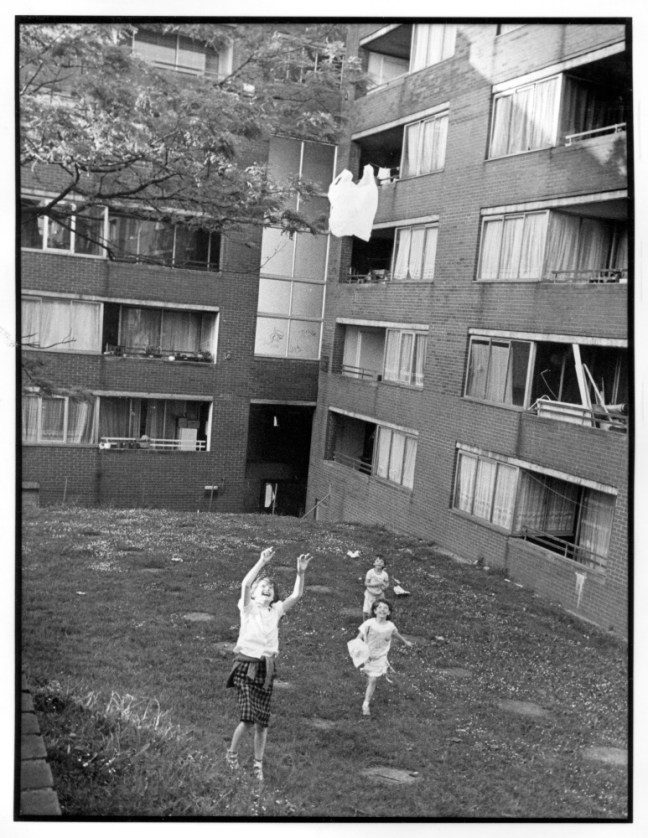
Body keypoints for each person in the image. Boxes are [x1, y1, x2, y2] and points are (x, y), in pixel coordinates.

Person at [225, 546, 313, 782]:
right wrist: (261, 562)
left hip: (266, 668)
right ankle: (231, 754)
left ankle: (257, 764)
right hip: (245, 665)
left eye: (270, 588)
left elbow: (296, 596)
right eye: (262, 586)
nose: (267, 589)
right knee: (248, 717)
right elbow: (245, 584)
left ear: (274, 596)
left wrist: (300, 573)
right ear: (254, 594)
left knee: (262, 722)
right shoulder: (248, 608)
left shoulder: (276, 611)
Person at [356, 598, 412, 716]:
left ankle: (365, 704)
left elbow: (395, 633)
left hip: (381, 656)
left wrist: (405, 641)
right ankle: (368, 682)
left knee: (373, 679)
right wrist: (357, 645)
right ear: (375, 611)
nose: (382, 610)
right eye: (379, 608)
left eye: (385, 608)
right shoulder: (369, 623)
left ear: (389, 612)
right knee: (371, 678)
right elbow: (359, 636)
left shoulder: (390, 626)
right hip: (368, 655)